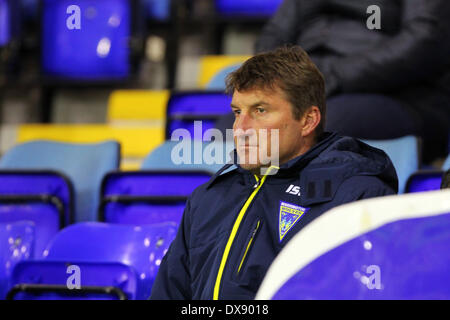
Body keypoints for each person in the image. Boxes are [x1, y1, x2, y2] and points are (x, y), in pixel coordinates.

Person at [150, 46, 398, 300]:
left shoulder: (358, 197)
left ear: (308, 120)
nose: (240, 128)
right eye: (237, 112)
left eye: (260, 111)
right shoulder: (207, 199)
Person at [246, 0, 450, 164]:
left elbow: (425, 40)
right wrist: (279, 78)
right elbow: (273, 34)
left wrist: (330, 76)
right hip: (306, 86)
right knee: (236, 126)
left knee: (317, 126)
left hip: (397, 93)